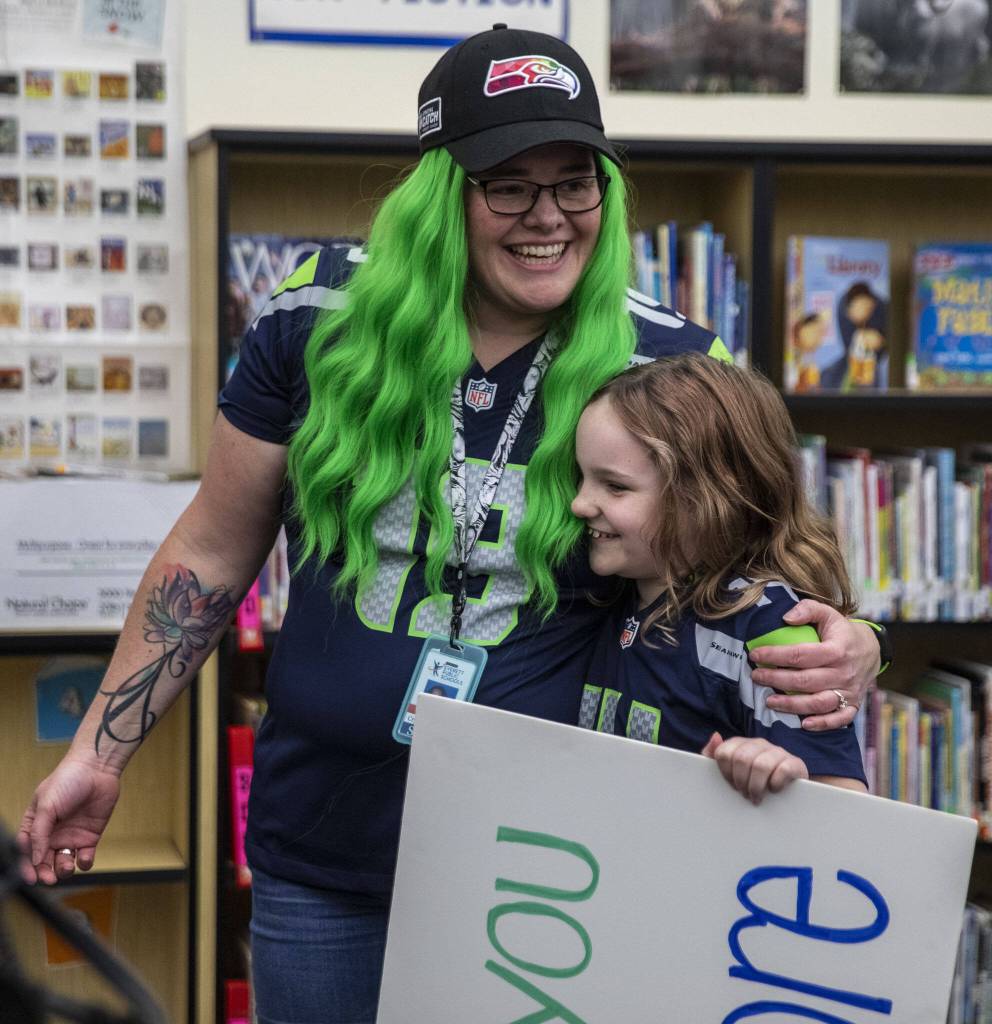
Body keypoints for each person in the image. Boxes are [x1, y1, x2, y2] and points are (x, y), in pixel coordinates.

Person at [17, 24, 884, 1024]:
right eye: (507, 184)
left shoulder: (667, 361)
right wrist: (99, 749)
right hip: (321, 854)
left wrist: (859, 638)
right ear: (442, 194)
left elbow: (757, 558)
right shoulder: (314, 319)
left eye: (574, 182)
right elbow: (213, 550)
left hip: (546, 872)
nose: (546, 217)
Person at [573, 353, 869, 802]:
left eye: (615, 486)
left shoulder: (771, 628)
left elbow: (847, 804)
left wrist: (785, 777)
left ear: (708, 498)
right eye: (582, 478)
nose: (579, 504)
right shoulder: (617, 589)